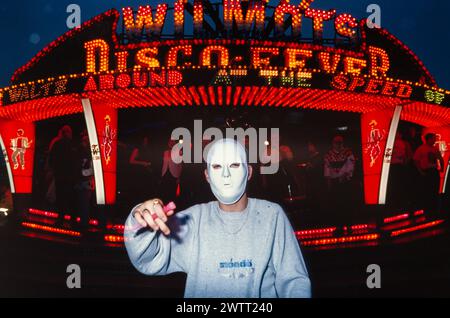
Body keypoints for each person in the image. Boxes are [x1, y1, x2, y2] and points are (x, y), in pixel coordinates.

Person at [124, 138, 311, 298]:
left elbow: (294, 280)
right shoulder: (192, 220)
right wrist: (141, 218)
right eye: (217, 166)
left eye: (235, 165)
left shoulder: (272, 215)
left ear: (250, 172)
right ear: (207, 175)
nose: (226, 174)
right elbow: (147, 258)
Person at [324, 135, 356, 225]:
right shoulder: (329, 154)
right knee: (336, 205)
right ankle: (339, 225)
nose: (338, 144)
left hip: (345, 182)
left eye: (339, 142)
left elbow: (351, 166)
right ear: (332, 143)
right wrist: (328, 180)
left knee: (346, 204)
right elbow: (327, 168)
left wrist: (346, 176)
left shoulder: (348, 153)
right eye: (336, 142)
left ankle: (349, 225)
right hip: (334, 183)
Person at [48, 125, 78, 217]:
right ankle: (71, 219)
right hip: (69, 176)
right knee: (70, 197)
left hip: (61, 175)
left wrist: (53, 170)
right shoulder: (74, 145)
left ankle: (61, 217)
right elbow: (77, 161)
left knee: (61, 196)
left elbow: (51, 158)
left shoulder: (57, 144)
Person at [413, 133, 444, 214]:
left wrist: (442, 169)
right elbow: (416, 160)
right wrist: (420, 171)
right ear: (429, 139)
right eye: (433, 138)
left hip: (434, 171)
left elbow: (440, 158)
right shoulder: (421, 148)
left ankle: (434, 209)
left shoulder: (435, 149)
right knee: (427, 191)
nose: (435, 140)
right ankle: (428, 210)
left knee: (434, 190)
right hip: (426, 172)